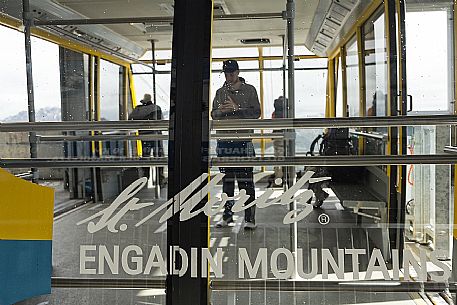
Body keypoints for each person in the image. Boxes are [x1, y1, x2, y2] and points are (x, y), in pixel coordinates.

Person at [211, 60, 261, 230]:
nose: (229, 76)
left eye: (232, 72)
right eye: (226, 73)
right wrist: (222, 111)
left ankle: (250, 218)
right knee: (227, 182)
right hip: (224, 143)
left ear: (238, 72)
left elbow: (256, 113)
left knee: (246, 181)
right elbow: (213, 114)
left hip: (243, 142)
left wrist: (236, 108)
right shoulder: (220, 92)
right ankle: (227, 216)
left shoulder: (250, 90)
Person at [129, 93, 166, 186]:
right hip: (156, 135)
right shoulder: (156, 107)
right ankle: (159, 180)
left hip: (144, 136)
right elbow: (161, 121)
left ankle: (145, 179)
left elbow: (130, 119)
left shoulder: (138, 109)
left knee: (145, 157)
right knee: (159, 157)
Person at [267, 96, 286, 188]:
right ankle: (288, 178)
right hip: (287, 136)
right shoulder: (288, 113)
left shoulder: (275, 113)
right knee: (288, 158)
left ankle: (278, 180)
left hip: (277, 137)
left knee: (278, 159)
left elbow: (273, 124)